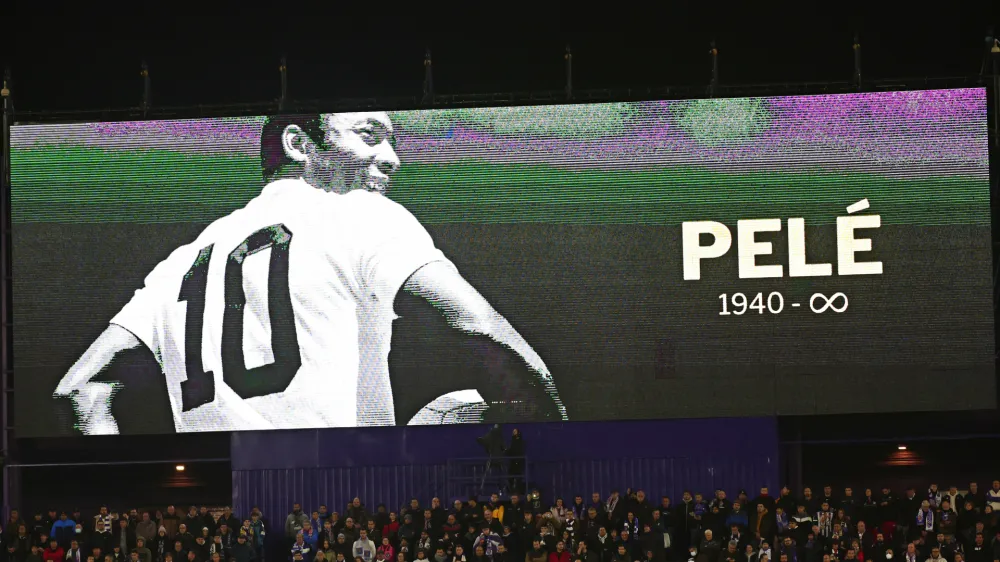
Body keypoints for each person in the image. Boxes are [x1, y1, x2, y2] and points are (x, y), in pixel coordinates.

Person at [52, 111, 567, 434]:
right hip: (344, 501)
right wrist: (557, 440)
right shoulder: (358, 212)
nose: (391, 159)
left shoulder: (181, 262)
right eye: (369, 135)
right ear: (301, 144)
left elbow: (78, 390)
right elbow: (481, 328)